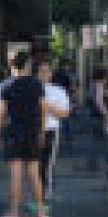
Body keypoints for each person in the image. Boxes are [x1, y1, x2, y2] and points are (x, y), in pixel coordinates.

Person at [0, 51, 48, 217]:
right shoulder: (37, 84)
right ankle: (41, 214)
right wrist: (42, 132)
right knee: (35, 175)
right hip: (32, 132)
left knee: (15, 176)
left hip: (14, 133)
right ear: (27, 65)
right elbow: (43, 110)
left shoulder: (7, 85)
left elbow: (0, 113)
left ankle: (14, 214)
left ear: (13, 65)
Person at [37, 61, 71, 201]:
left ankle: (45, 196)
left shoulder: (59, 91)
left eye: (47, 71)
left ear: (51, 74)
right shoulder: (32, 89)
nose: (44, 74)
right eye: (41, 71)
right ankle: (37, 195)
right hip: (33, 131)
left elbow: (65, 113)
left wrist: (48, 108)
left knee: (47, 165)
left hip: (51, 130)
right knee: (35, 165)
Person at [85, 65, 108, 172]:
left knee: (94, 140)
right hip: (99, 116)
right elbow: (99, 102)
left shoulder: (92, 84)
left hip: (92, 115)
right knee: (107, 141)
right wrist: (107, 115)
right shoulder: (99, 85)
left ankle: (92, 163)